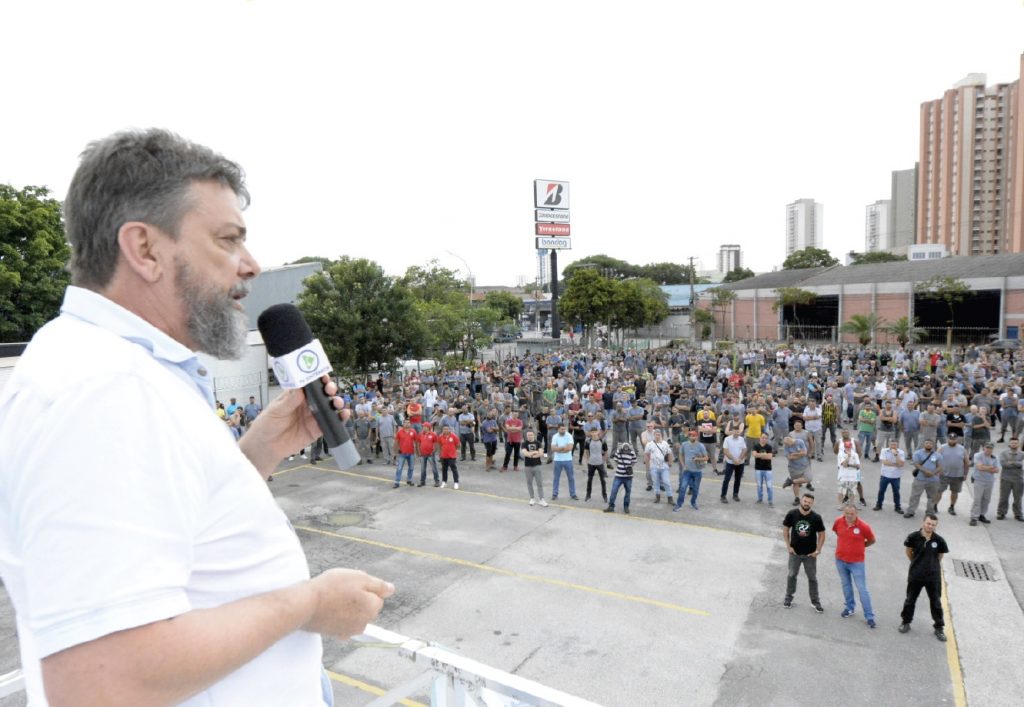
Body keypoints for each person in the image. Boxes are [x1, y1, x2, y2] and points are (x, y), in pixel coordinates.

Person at [0, 129, 393, 706]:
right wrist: (310, 603)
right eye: (228, 240)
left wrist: (254, 456)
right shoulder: (106, 390)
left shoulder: (116, 367)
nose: (252, 265)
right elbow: (101, 681)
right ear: (145, 250)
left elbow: (174, 536)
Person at [899, 514, 949, 642]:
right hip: (916, 575)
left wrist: (931, 566)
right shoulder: (913, 537)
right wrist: (917, 563)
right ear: (923, 523)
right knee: (910, 600)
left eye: (933, 524)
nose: (930, 526)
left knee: (936, 603)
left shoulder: (939, 541)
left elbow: (940, 556)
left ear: (935, 526)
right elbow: (908, 552)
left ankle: (939, 628)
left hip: (933, 577)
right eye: (928, 523)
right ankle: (906, 622)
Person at [832, 504, 877, 628]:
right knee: (846, 585)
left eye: (852, 514)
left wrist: (862, 546)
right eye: (847, 514)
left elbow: (872, 540)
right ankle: (849, 608)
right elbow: (837, 532)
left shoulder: (864, 527)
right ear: (844, 513)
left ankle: (869, 616)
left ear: (856, 513)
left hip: (857, 563)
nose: (849, 516)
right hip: (840, 560)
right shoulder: (838, 522)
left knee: (862, 589)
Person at [782, 493, 826, 612]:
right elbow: (786, 529)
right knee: (791, 576)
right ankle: (788, 598)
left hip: (810, 555)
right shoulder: (792, 514)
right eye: (805, 501)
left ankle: (815, 602)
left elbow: (822, 534)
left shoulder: (816, 517)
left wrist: (817, 550)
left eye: (809, 502)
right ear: (801, 501)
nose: (806, 503)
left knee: (812, 578)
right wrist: (788, 546)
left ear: (812, 504)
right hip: (794, 553)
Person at [904, 438, 942, 518]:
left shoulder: (937, 455)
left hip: (933, 480)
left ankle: (930, 513)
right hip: (920, 479)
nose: (928, 445)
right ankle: (910, 511)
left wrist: (932, 473)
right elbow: (916, 464)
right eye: (927, 443)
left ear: (933, 445)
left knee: (932, 497)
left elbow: (940, 466)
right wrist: (925, 471)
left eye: (930, 443)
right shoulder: (918, 453)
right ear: (924, 444)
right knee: (915, 496)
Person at [673, 429, 708, 511]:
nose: (692, 437)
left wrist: (697, 458)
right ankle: (679, 504)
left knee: (695, 489)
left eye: (694, 435)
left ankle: (693, 502)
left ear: (697, 436)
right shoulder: (684, 445)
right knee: (683, 487)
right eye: (691, 435)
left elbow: (706, 457)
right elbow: (680, 454)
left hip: (697, 471)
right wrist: (683, 465)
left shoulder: (700, 446)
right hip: (687, 471)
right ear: (689, 436)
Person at [936, 433, 969, 516]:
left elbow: (966, 462)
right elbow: (935, 459)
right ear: (948, 439)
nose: (952, 440)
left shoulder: (962, 449)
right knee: (939, 491)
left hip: (958, 475)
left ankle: (952, 507)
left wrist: (965, 474)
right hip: (943, 474)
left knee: (955, 492)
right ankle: (934, 506)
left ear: (957, 440)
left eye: (954, 439)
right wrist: (936, 471)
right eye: (950, 438)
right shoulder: (942, 447)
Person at [969, 441, 1000, 526]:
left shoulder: (995, 457)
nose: (989, 450)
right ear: (984, 448)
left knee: (986, 499)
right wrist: (990, 468)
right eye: (987, 448)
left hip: (990, 481)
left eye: (990, 448)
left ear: (992, 449)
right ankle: (974, 517)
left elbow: (997, 470)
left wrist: (984, 467)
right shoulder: (977, 455)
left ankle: (981, 514)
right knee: (977, 499)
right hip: (979, 480)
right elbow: (979, 467)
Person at [605, 442, 638, 514]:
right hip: (619, 476)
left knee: (628, 493)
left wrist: (628, 467)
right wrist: (624, 466)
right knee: (614, 491)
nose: (626, 450)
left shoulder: (632, 452)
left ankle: (626, 507)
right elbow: (616, 460)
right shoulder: (618, 452)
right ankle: (611, 506)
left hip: (628, 477)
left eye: (627, 449)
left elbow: (634, 461)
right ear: (622, 448)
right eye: (625, 449)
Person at [997, 437, 1024, 521]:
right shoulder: (1003, 453)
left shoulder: (1022, 454)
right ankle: (1001, 513)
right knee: (1003, 497)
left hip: (1018, 479)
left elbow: (1022, 465)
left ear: (1018, 444)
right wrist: (1017, 464)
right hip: (1006, 478)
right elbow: (1003, 464)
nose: (1014, 444)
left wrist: (1012, 462)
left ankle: (1018, 514)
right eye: (1012, 443)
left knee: (1018, 498)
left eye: (1015, 443)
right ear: (1009, 444)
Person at [876, 438, 906, 513]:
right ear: (889, 444)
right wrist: (896, 464)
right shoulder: (884, 450)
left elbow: (901, 464)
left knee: (896, 492)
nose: (893, 446)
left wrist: (896, 455)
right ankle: (879, 505)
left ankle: (897, 507)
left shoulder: (901, 452)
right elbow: (884, 462)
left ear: (897, 445)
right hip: (885, 475)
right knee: (881, 491)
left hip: (896, 476)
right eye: (891, 444)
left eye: (894, 444)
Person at [645, 429, 674, 505]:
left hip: (664, 467)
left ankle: (670, 497)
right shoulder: (649, 444)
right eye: (656, 434)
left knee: (666, 482)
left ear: (661, 435)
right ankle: (657, 496)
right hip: (654, 467)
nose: (657, 436)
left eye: (659, 435)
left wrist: (670, 463)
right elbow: (647, 454)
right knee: (655, 483)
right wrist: (648, 466)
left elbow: (669, 453)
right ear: (654, 435)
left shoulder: (665, 444)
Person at [550, 423, 578, 501]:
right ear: (558, 429)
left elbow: (569, 448)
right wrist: (563, 448)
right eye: (561, 429)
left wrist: (558, 449)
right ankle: (554, 494)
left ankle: (573, 494)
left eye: (564, 429)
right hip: (557, 460)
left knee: (571, 478)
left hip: (568, 460)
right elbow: (552, 448)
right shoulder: (555, 436)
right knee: (556, 478)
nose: (563, 430)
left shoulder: (569, 436)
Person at [721, 425, 748, 503]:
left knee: (738, 479)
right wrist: (734, 459)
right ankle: (723, 496)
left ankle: (735, 494)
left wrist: (739, 459)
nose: (736, 433)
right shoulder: (727, 439)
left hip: (740, 462)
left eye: (738, 431)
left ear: (739, 432)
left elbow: (744, 449)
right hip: (730, 463)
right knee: (727, 479)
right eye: (735, 431)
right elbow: (726, 451)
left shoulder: (742, 439)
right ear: (732, 431)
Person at [521, 430, 547, 506]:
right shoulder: (524, 443)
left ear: (534, 435)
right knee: (529, 483)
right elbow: (525, 453)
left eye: (531, 435)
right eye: (528, 435)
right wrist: (535, 453)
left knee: (539, 483)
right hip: (528, 466)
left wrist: (531, 454)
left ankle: (541, 499)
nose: (529, 436)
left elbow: (541, 453)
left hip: (537, 465)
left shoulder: (538, 443)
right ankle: (532, 498)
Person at [782, 435, 811, 505]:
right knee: (796, 483)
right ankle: (797, 498)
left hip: (805, 465)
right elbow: (789, 458)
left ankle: (790, 481)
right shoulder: (786, 446)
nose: (787, 445)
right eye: (786, 444)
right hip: (793, 467)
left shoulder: (799, 442)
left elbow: (804, 453)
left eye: (788, 444)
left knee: (809, 478)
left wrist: (794, 453)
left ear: (791, 440)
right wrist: (800, 454)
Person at [835, 436, 862, 510]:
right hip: (843, 476)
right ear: (844, 447)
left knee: (852, 491)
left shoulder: (855, 454)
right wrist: (848, 457)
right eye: (846, 447)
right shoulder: (840, 454)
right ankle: (840, 505)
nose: (848, 448)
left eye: (849, 447)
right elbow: (844, 465)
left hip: (853, 476)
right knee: (841, 491)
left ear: (851, 447)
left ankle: (851, 505)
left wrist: (849, 465)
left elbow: (858, 466)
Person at [583, 427, 609, 503]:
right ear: (590, 433)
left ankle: (605, 496)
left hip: (600, 463)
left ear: (598, 432)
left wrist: (603, 461)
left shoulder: (602, 441)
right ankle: (588, 495)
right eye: (592, 432)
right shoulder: (588, 441)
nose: (594, 433)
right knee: (589, 480)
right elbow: (586, 451)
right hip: (591, 464)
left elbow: (606, 452)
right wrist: (587, 460)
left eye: (595, 431)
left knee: (603, 480)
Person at [752, 432, 775, 506]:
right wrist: (765, 455)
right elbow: (754, 455)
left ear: (767, 439)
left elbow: (770, 457)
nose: (764, 439)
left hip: (768, 469)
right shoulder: (756, 446)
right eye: (763, 437)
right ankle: (760, 499)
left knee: (769, 486)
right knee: (759, 485)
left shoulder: (769, 447)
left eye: (765, 438)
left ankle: (770, 500)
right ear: (760, 437)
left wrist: (759, 455)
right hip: (758, 469)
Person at [394, 418, 418, 488]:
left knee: (411, 468)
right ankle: (397, 482)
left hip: (411, 453)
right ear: (403, 424)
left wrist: (417, 453)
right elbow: (396, 443)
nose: (407, 424)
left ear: (410, 424)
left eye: (408, 422)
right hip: (402, 453)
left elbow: (416, 442)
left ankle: (409, 480)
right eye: (405, 423)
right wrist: (395, 452)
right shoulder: (399, 432)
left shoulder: (413, 431)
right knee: (399, 468)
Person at [416, 422, 440, 487]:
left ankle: (437, 481)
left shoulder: (433, 434)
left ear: (428, 427)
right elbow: (418, 443)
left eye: (424, 427)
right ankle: (422, 481)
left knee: (434, 468)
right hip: (422, 454)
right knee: (423, 469)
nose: (423, 428)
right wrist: (419, 452)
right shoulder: (420, 434)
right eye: (423, 427)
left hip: (430, 454)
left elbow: (436, 444)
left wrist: (433, 452)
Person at [438, 425, 460, 489]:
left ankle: (456, 482)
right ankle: (444, 482)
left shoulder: (453, 436)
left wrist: (454, 451)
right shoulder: (440, 436)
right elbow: (440, 445)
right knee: (444, 469)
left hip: (452, 456)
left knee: (454, 469)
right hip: (444, 456)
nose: (445, 430)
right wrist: (440, 454)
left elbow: (458, 445)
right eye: (444, 429)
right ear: (442, 430)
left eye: (447, 429)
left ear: (449, 430)